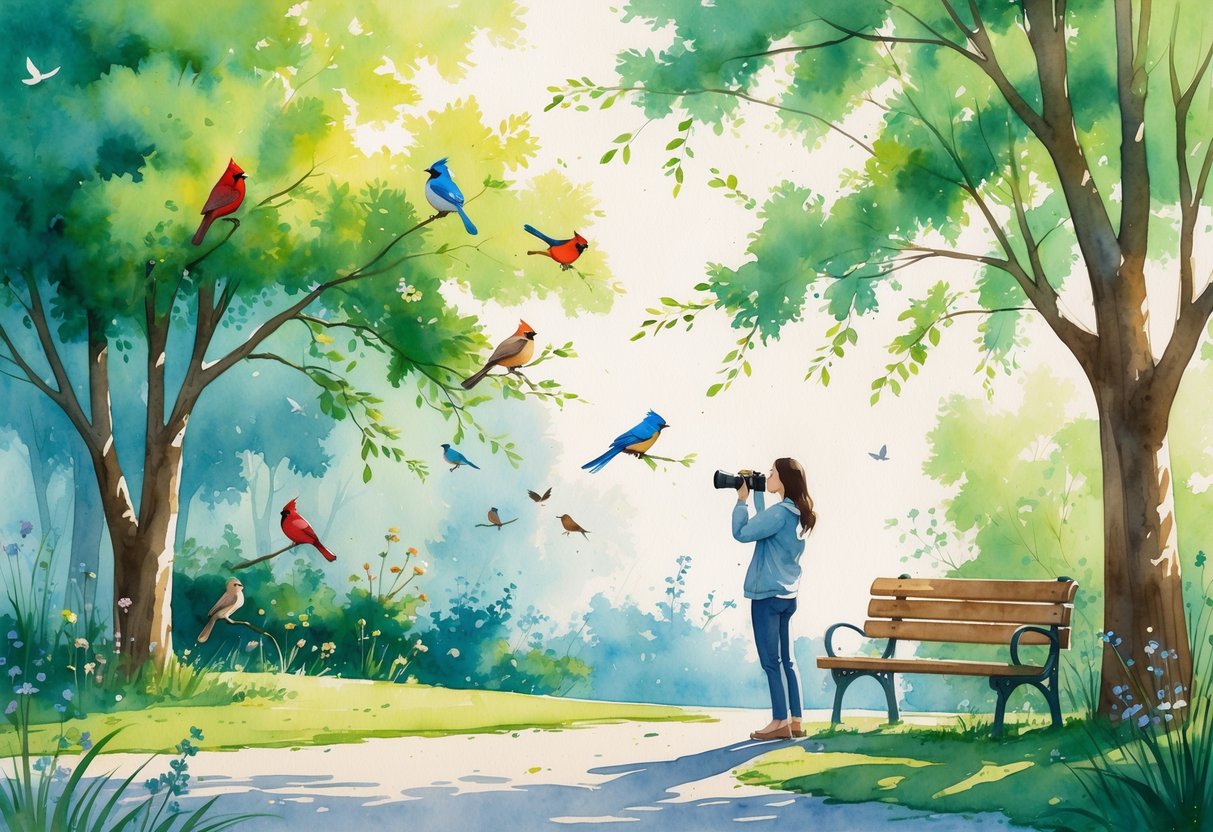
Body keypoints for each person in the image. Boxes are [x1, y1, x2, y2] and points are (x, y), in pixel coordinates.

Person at [731, 458, 816, 740]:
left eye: (771, 472)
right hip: (788, 596)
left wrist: (742, 501)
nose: (768, 475)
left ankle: (779, 721)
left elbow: (742, 533)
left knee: (771, 662)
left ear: (783, 480)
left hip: (766, 596)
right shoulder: (797, 513)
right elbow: (766, 524)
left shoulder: (779, 513)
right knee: (787, 661)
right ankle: (796, 720)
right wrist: (757, 493)